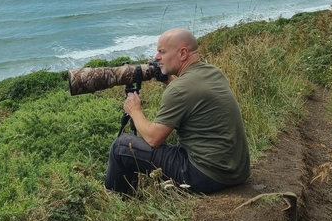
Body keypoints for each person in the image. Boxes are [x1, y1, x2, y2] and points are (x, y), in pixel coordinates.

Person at [105, 28, 251, 194]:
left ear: (182, 53)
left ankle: (120, 199)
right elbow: (190, 96)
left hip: (204, 176)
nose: (156, 57)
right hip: (236, 172)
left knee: (121, 146)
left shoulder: (179, 89)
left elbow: (154, 139)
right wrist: (170, 81)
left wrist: (134, 110)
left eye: (162, 52)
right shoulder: (212, 72)